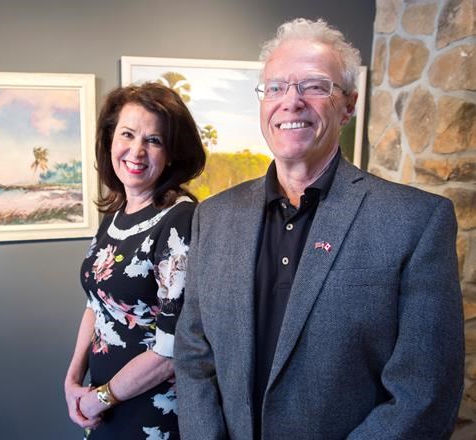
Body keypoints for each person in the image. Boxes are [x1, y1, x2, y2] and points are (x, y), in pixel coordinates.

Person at [174, 18, 464, 439]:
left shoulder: (416, 222)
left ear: (348, 105)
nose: (291, 102)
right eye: (275, 87)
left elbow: (425, 395)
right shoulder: (214, 217)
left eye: (313, 86)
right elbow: (193, 355)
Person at [65, 82, 206, 439]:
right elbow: (95, 304)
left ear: (171, 154)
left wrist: (99, 398)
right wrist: (72, 380)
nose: (137, 151)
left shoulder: (179, 220)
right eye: (127, 134)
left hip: (150, 413)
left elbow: (170, 349)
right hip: (102, 405)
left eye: (154, 140)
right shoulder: (114, 216)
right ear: (111, 139)